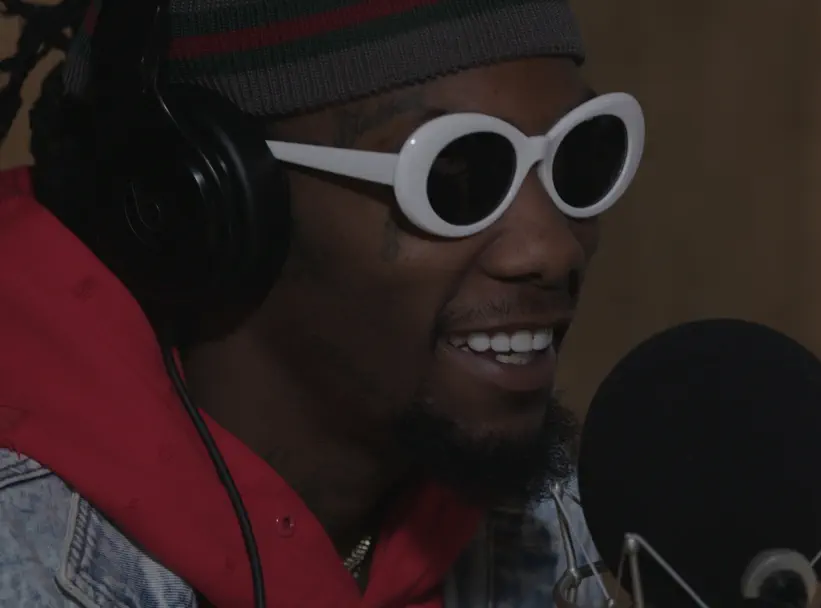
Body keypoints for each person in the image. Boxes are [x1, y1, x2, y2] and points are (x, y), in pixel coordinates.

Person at [0, 0, 644, 605]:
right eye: (456, 173)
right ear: (201, 202)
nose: (552, 249)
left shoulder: (557, 526)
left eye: (579, 155)